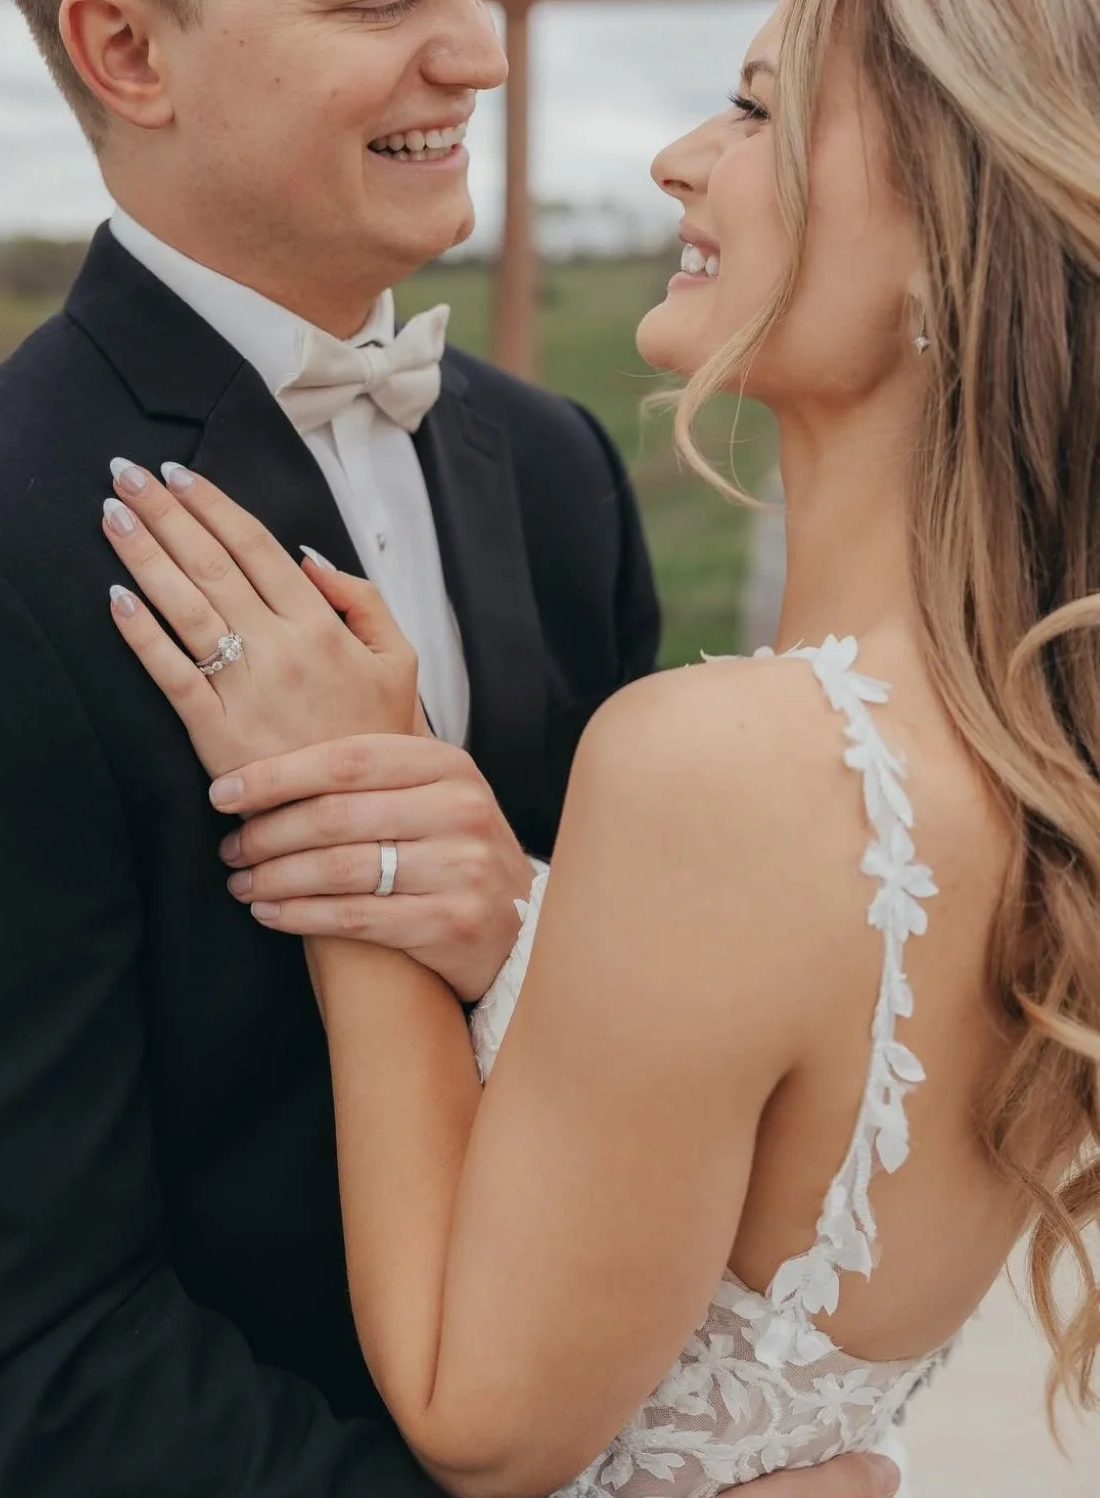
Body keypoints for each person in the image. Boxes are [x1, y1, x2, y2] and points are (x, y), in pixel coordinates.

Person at [96, 0, 1100, 1493]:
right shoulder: (1026, 755)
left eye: (757, 112)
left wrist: (349, 813)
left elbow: (479, 1415)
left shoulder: (718, 764)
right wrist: (516, 921)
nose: (677, 160)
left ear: (953, 241)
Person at [0, 0, 893, 1494]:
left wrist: (516, 909)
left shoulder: (554, 468)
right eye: (375, 1)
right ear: (128, 51)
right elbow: (23, 1361)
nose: (479, 55)